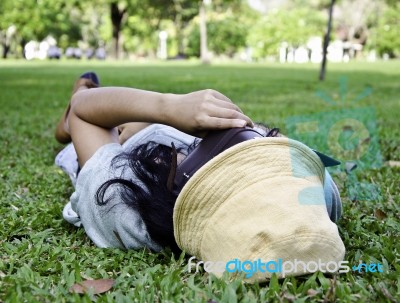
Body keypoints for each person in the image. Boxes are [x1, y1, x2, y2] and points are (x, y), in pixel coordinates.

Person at [55, 72, 341, 254]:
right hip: (169, 131)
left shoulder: (126, 204)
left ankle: (77, 95)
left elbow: (86, 112)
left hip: (122, 147)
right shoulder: (310, 200)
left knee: (85, 106)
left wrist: (167, 107)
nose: (246, 135)